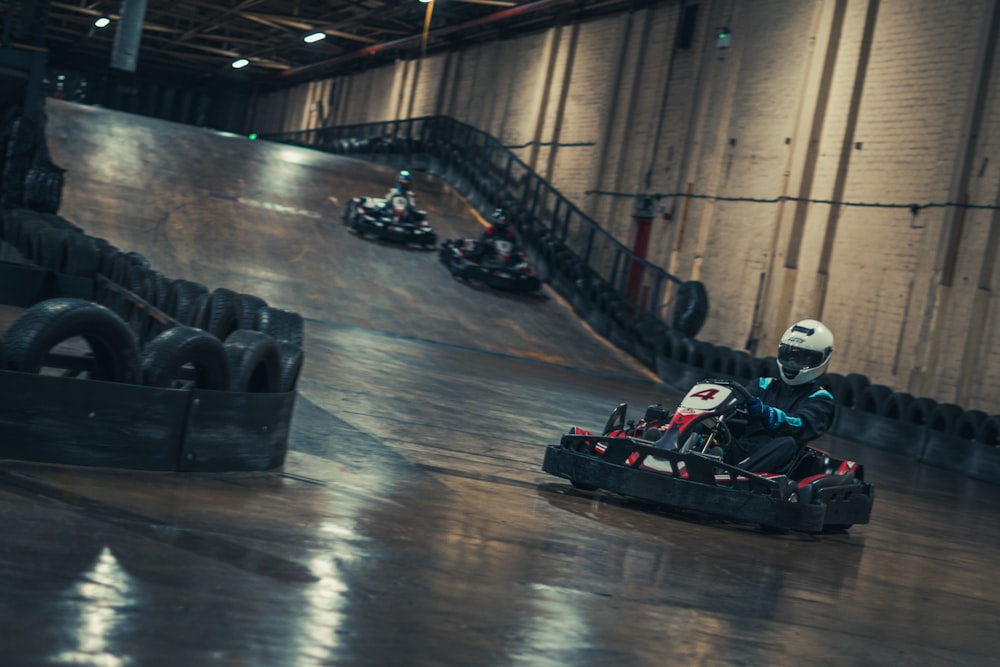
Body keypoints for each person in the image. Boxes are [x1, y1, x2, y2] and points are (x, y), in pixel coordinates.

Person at [726, 319, 836, 472]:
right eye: (790, 354)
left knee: (787, 443)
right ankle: (687, 458)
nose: (793, 362)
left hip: (775, 462)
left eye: (804, 358)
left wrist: (769, 414)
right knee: (713, 425)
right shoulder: (762, 385)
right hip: (743, 449)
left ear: (822, 359)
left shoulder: (821, 398)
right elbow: (736, 403)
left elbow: (801, 425)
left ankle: (736, 476)